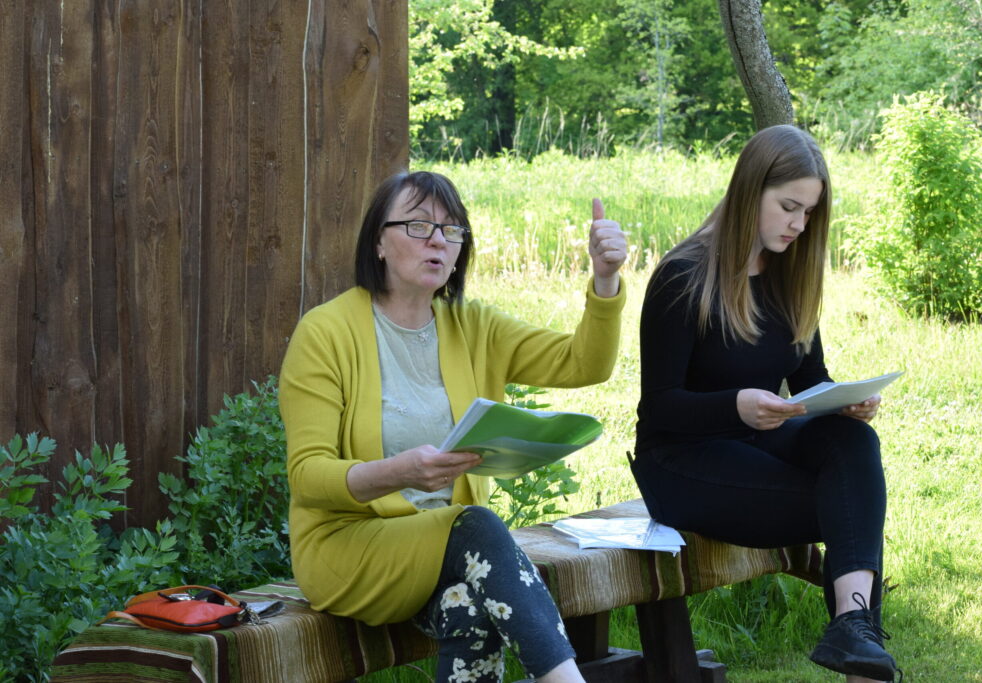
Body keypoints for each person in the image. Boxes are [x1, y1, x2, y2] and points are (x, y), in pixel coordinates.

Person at [279, 170, 627, 683]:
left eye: (452, 229)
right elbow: (308, 477)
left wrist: (605, 280)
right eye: (418, 226)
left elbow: (584, 364)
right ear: (378, 241)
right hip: (348, 548)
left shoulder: (473, 324)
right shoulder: (325, 333)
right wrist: (397, 472)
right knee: (477, 525)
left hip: (445, 550)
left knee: (469, 607)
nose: (439, 240)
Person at [630, 125, 900, 683]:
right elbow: (658, 408)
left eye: (809, 213)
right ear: (751, 190)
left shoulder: (789, 276)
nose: (799, 225)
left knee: (854, 443)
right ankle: (861, 657)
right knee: (849, 507)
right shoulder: (684, 277)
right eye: (789, 207)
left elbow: (809, 380)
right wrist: (736, 406)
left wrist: (843, 404)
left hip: (757, 441)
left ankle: (852, 632)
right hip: (681, 461)